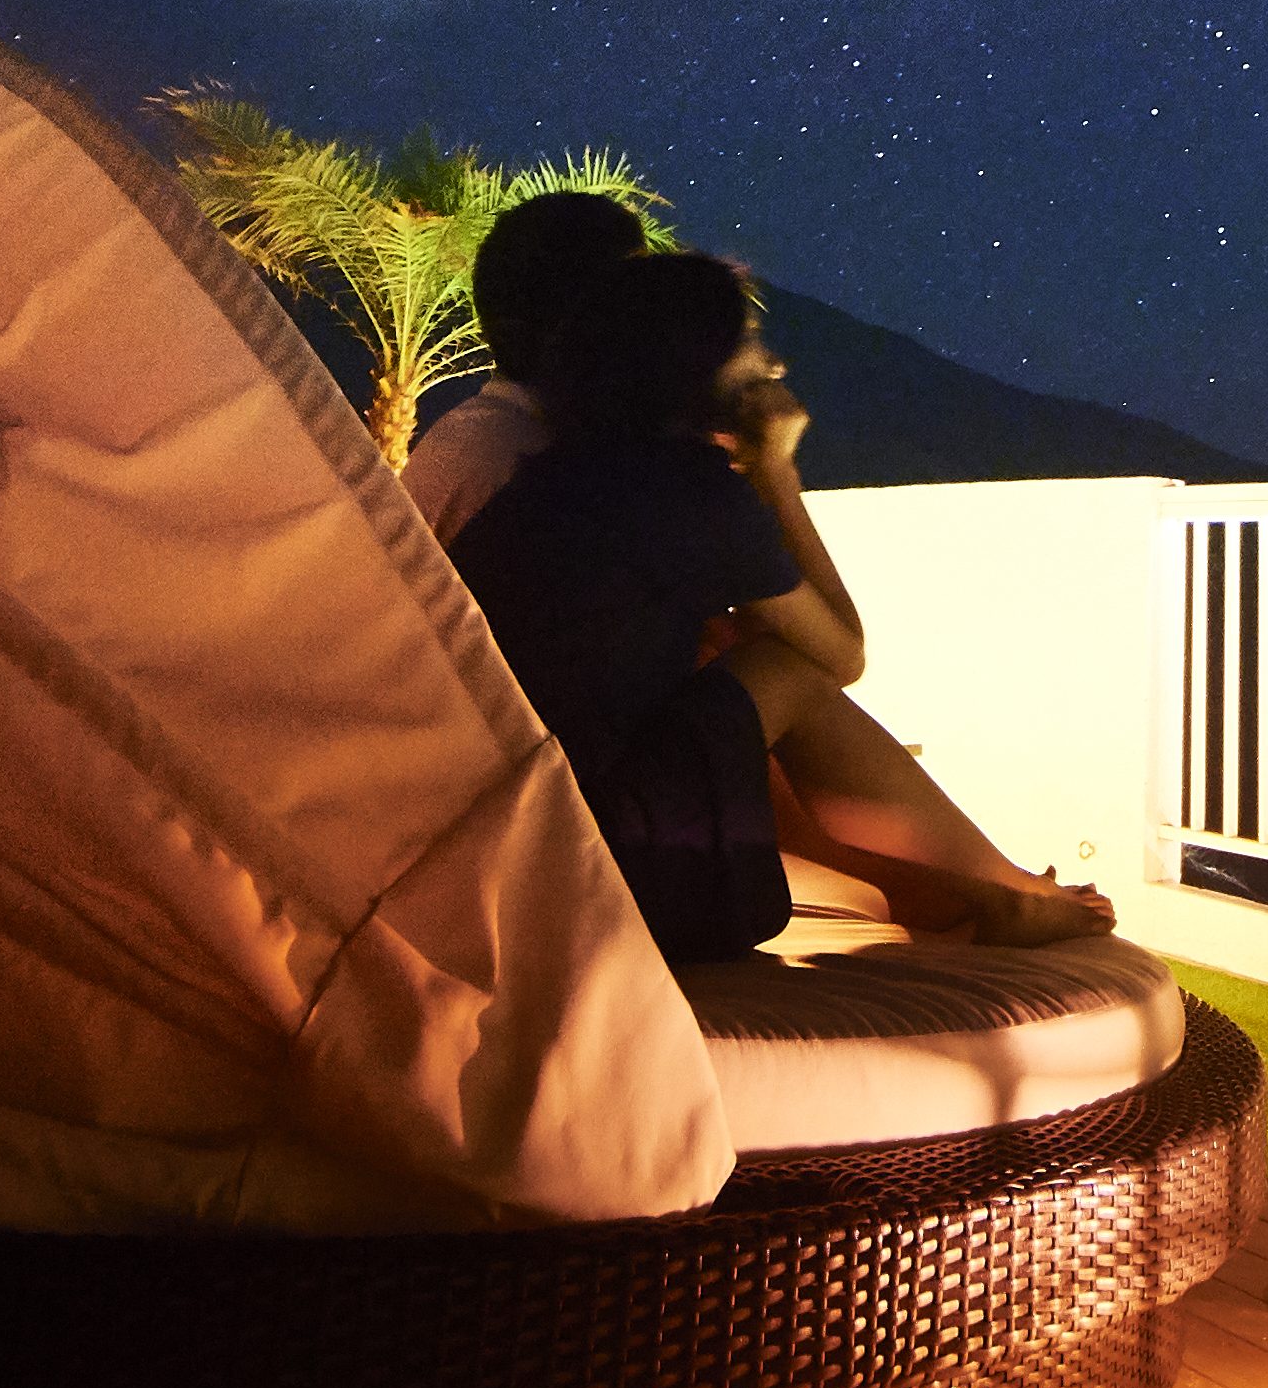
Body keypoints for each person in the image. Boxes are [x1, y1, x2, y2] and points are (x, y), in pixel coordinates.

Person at [444, 250, 1110, 956]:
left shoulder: (561, 477)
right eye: (748, 343)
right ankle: (1007, 893)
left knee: (748, 660)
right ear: (691, 360)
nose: (773, 366)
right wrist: (777, 472)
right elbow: (840, 655)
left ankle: (993, 888)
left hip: (521, 847)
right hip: (607, 871)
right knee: (789, 667)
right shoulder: (689, 492)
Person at [394, 186, 634, 540]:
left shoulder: (480, 439)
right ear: (580, 319)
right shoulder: (514, 469)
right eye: (636, 297)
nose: (654, 322)